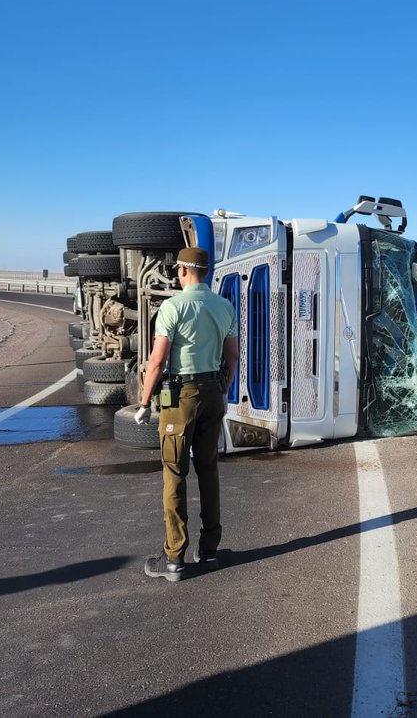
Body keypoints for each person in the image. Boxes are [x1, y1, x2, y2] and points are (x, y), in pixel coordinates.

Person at [137, 246, 239, 582]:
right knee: (208, 470)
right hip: (213, 394)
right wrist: (223, 389)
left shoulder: (172, 307)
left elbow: (157, 361)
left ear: (182, 271)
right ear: (205, 272)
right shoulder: (225, 307)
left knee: (174, 473)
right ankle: (209, 551)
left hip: (182, 398)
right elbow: (233, 356)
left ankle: (174, 558)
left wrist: (144, 402)